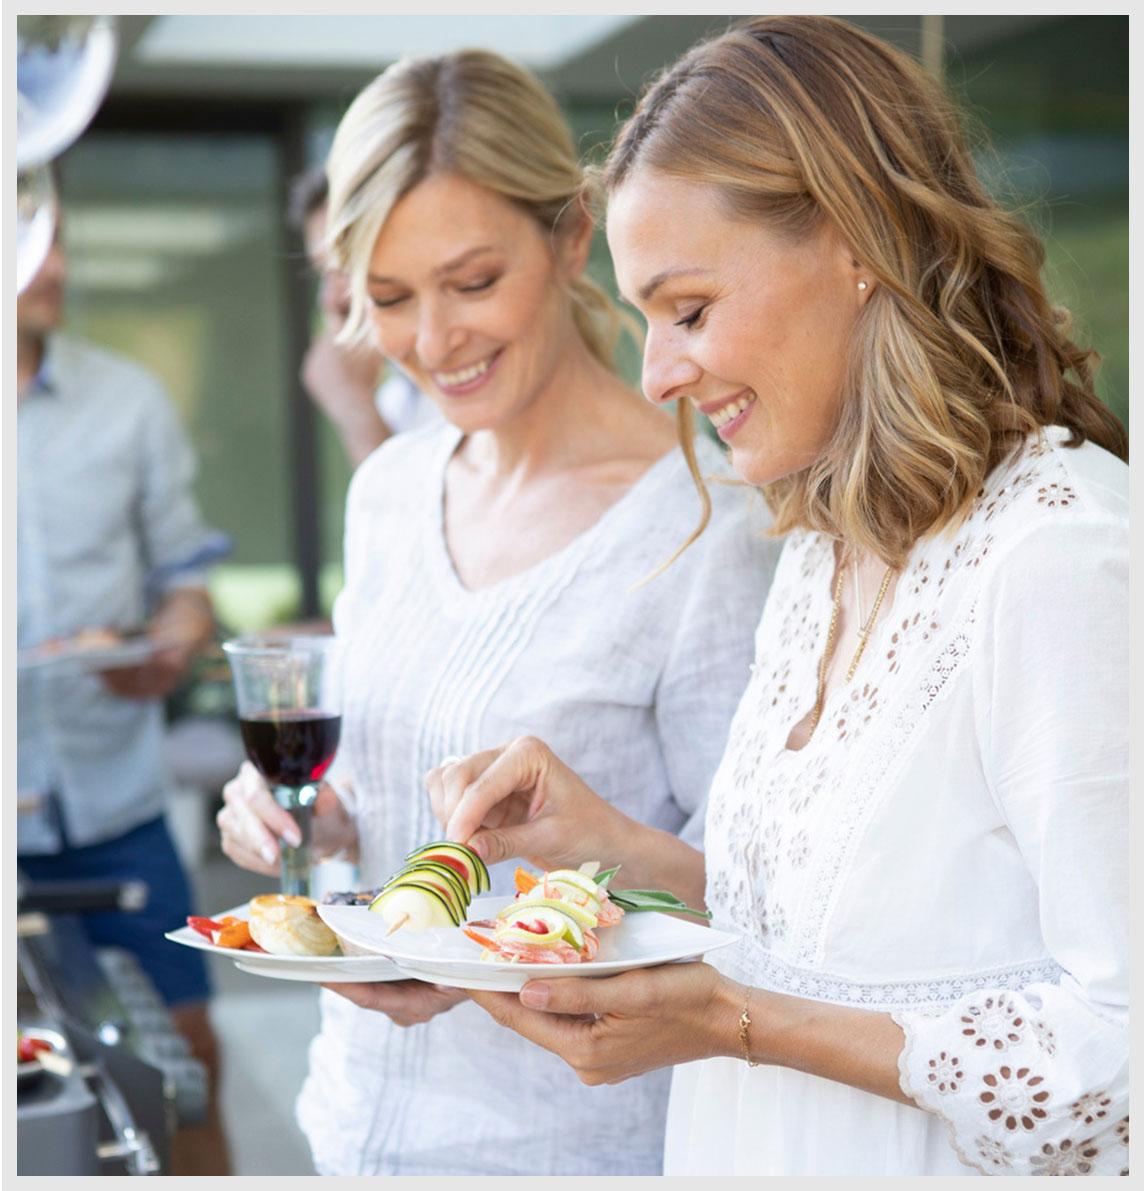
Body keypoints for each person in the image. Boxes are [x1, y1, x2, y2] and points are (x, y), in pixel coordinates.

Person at [432, 15, 1129, 1178]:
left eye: (688, 310)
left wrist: (721, 1023)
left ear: (856, 243)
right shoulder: (821, 552)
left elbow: (1119, 1053)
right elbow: (827, 942)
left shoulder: (1060, 555)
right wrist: (612, 846)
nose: (656, 372)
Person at [216, 48, 778, 1176]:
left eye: (472, 282)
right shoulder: (387, 493)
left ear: (572, 236)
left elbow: (758, 905)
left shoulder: (712, 527)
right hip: (353, 1128)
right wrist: (312, 824)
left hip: (575, 1150)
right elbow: (387, 806)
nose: (432, 341)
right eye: (386, 298)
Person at [17, 228, 234, 1175]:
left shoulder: (128, 401)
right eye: (26, 247)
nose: (58, 267)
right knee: (36, 1096)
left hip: (118, 804)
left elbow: (186, 586)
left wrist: (167, 647)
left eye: (59, 244)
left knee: (184, 1065)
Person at [290, 166, 438, 467]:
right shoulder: (396, 399)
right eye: (323, 274)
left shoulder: (476, 383)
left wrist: (353, 406)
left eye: (345, 267)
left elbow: (414, 514)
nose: (330, 300)